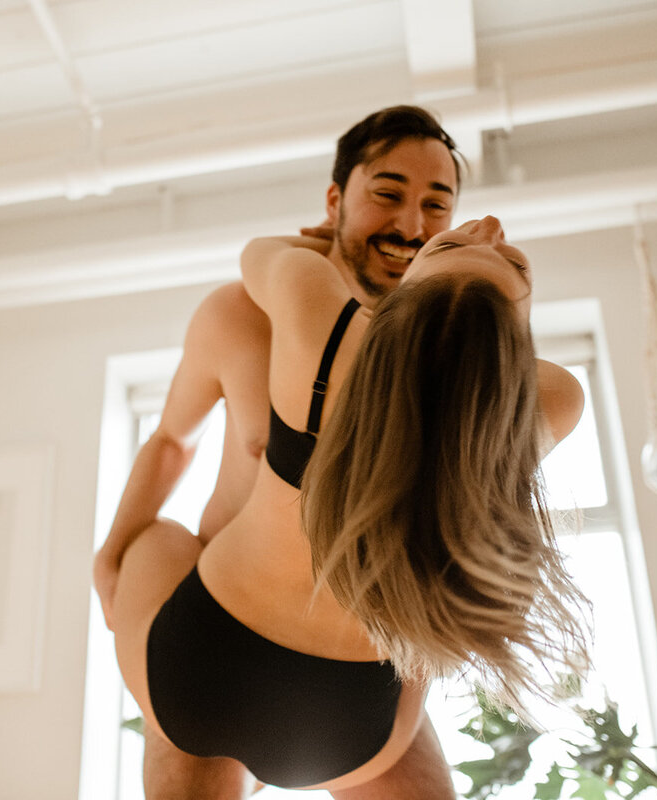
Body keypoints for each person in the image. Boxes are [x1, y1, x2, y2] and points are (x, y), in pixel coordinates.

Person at [108, 213, 589, 799]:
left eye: (458, 244)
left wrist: (323, 246)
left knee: (157, 537)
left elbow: (259, 253)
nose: (489, 225)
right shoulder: (548, 403)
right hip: (357, 724)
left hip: (196, 664)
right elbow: (476, 373)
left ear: (402, 295)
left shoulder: (323, 330)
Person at [94, 105, 465, 798]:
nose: (411, 225)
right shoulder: (237, 316)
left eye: (434, 205)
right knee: (159, 544)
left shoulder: (435, 355)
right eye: (388, 194)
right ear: (336, 199)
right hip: (212, 630)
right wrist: (112, 551)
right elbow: (173, 439)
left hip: (356, 659)